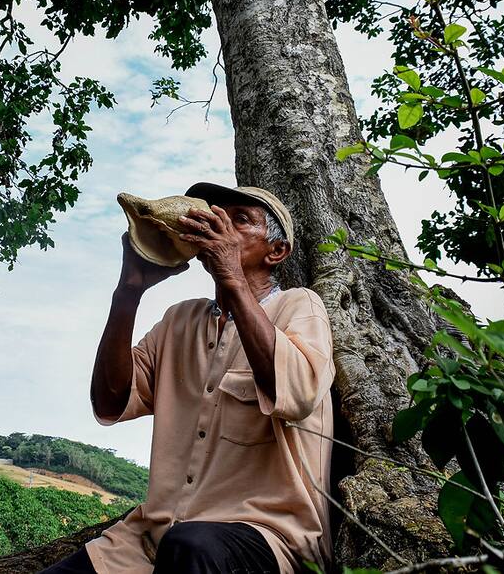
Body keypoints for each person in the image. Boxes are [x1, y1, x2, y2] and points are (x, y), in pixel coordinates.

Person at [40, 183, 336, 574]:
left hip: (270, 537)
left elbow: (298, 393)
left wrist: (232, 276)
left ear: (276, 251)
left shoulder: (300, 306)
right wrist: (129, 290)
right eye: (215, 214)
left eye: (239, 219)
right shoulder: (180, 320)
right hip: (152, 543)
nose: (219, 225)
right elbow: (109, 402)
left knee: (190, 545)